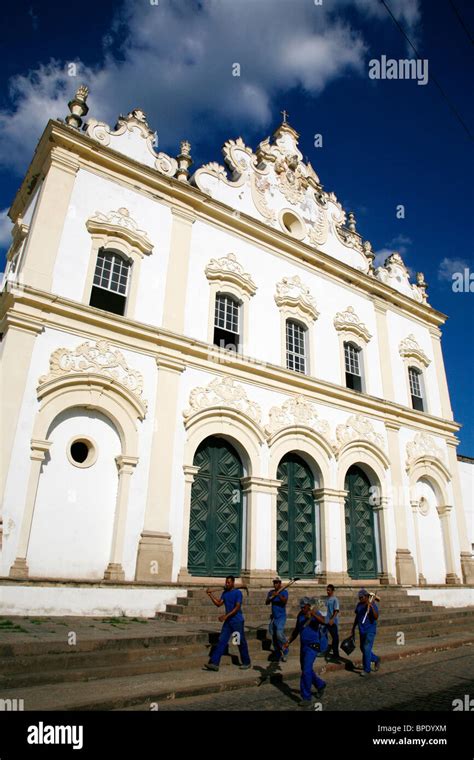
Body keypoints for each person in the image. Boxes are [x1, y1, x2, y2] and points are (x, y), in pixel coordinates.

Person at [203, 575, 251, 672]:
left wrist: (225, 616)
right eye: (226, 582)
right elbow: (218, 604)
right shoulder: (225, 593)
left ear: (233, 583)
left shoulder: (238, 593)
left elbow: (237, 608)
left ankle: (246, 662)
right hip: (228, 623)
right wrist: (210, 595)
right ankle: (214, 663)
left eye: (229, 582)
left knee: (239, 642)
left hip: (237, 622)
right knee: (221, 641)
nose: (227, 584)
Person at [287, 597, 327, 707]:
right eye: (301, 607)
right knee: (306, 670)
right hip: (303, 646)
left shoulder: (315, 612)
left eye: (304, 607)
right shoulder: (300, 615)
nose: (302, 609)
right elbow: (296, 630)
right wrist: (288, 642)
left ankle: (306, 697)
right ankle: (320, 685)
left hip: (312, 646)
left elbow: (324, 622)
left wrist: (313, 615)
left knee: (306, 670)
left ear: (308, 606)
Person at [351, 589, 381, 676]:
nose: (360, 599)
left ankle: (366, 669)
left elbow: (376, 617)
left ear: (367, 597)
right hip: (362, 630)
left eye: (361, 597)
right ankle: (375, 659)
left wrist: (371, 607)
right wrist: (353, 628)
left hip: (370, 630)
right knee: (362, 648)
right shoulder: (359, 605)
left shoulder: (372, 605)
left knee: (366, 648)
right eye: (359, 597)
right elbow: (357, 617)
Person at [265, 576, 289, 662]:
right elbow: (266, 602)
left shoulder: (284, 592)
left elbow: (284, 601)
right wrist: (271, 597)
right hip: (274, 617)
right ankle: (278, 652)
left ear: (280, 584)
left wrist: (278, 594)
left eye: (277, 583)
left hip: (281, 617)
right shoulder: (271, 592)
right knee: (273, 635)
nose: (275, 584)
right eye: (274, 583)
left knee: (279, 633)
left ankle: (286, 646)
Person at [325, 584, 341, 661]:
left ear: (332, 591)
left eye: (329, 590)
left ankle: (336, 653)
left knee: (335, 638)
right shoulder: (326, 599)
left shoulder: (335, 599)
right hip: (326, 620)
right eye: (327, 590)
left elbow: (336, 611)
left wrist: (332, 619)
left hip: (333, 621)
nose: (328, 591)